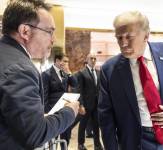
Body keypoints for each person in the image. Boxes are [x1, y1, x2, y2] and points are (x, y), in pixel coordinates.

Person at [98, 10, 163, 150]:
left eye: (129, 37)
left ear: (146, 35)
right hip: (137, 141)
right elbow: (106, 118)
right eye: (119, 38)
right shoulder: (109, 70)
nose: (123, 43)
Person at [0, 0, 79, 150]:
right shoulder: (20, 69)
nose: (53, 39)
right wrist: (69, 111)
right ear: (25, 31)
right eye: (50, 31)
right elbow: (36, 135)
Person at [42, 52, 78, 149]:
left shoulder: (65, 73)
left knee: (66, 135)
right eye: (65, 61)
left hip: (65, 108)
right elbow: (44, 95)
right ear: (57, 61)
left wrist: (69, 72)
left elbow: (75, 84)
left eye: (67, 62)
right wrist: (46, 112)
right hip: (52, 110)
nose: (66, 64)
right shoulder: (46, 74)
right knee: (52, 138)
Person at [77, 54, 103, 150]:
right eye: (91, 58)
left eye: (94, 58)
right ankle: (80, 144)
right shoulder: (82, 73)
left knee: (96, 125)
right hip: (86, 105)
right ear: (87, 60)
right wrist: (81, 104)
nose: (93, 60)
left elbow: (99, 88)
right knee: (83, 125)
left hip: (96, 104)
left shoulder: (98, 72)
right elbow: (79, 90)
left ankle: (97, 145)